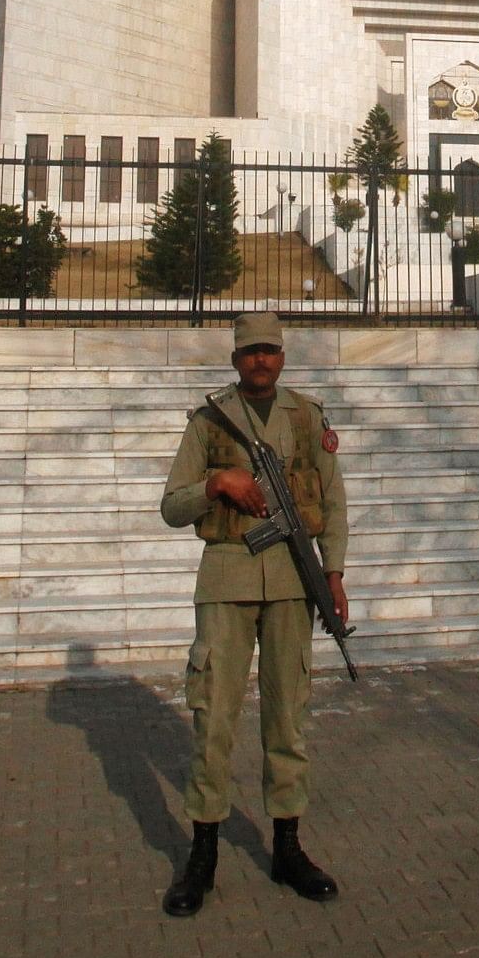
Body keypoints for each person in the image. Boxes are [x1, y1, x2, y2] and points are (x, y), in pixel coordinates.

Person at [156, 310, 349, 916]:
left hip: (294, 582)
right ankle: (203, 853)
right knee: (213, 717)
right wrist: (219, 483)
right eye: (248, 352)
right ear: (234, 358)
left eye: (269, 350)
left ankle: (288, 847)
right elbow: (171, 505)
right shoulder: (209, 421)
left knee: (288, 719)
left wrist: (334, 574)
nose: (259, 360)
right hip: (227, 578)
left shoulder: (306, 416)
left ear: (282, 356)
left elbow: (334, 499)